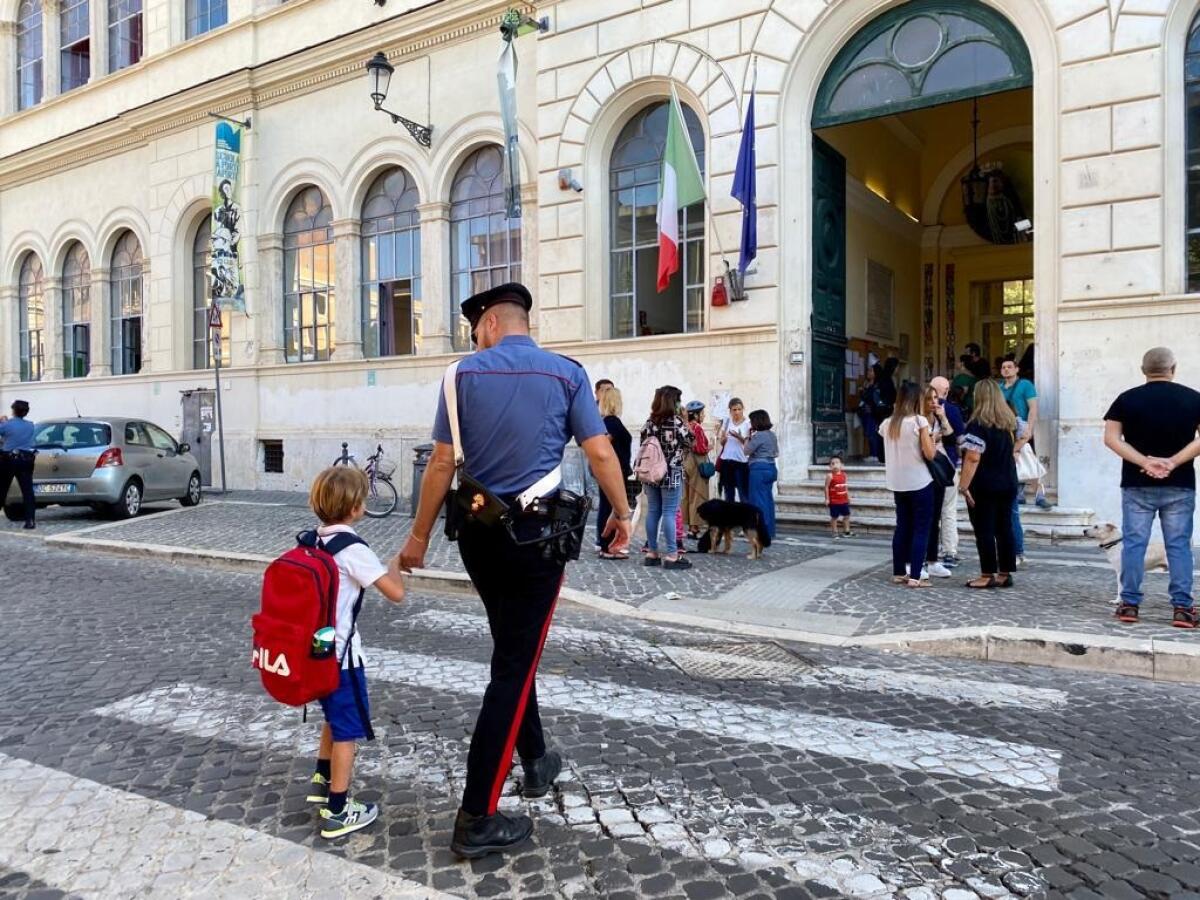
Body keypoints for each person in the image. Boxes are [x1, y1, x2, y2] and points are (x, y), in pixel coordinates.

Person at [397, 283, 633, 859]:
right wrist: (623, 513)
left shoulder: (460, 376)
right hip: (536, 541)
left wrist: (418, 536)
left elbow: (443, 463)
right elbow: (600, 452)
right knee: (512, 666)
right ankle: (476, 814)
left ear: (494, 324)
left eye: (476, 327)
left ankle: (536, 759)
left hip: (478, 537)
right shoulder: (567, 374)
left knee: (511, 650)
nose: (474, 338)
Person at [306, 466, 406, 839]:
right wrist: (396, 565)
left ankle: (321, 777)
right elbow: (395, 594)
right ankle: (337, 810)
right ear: (354, 507)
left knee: (332, 716)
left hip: (316, 651)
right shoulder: (353, 548)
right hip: (343, 657)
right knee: (347, 729)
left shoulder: (312, 540)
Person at [1103, 347, 1200, 627]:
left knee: (1134, 544)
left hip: (1136, 483)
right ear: (1174, 368)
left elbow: (1111, 439)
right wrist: (1172, 462)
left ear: (1143, 369)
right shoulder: (1193, 398)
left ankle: (1129, 604)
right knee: (1179, 546)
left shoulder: (1126, 399)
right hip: (1180, 484)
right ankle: (1183, 608)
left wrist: (1144, 461)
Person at [957, 380, 1020, 589]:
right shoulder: (1008, 423)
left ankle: (987, 573)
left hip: (984, 484)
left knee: (984, 529)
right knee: (1004, 528)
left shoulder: (978, 425)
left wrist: (963, 485)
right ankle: (1005, 572)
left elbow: (973, 458)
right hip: (1008, 481)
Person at [879, 382, 937, 588]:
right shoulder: (919, 421)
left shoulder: (888, 424)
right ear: (916, 400)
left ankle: (898, 572)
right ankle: (915, 576)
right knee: (921, 528)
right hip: (920, 480)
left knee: (902, 526)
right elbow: (930, 454)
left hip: (897, 482)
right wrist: (932, 438)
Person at [640, 385, 694, 570]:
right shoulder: (676, 422)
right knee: (670, 512)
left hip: (651, 473)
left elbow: (643, 444)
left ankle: (652, 552)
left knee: (653, 511)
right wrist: (685, 420)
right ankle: (672, 554)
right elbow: (690, 441)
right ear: (674, 402)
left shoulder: (649, 422)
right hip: (671, 472)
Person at [1000, 356, 1049, 510]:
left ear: (1016, 369)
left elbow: (1033, 407)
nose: (1006, 369)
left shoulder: (1025, 385)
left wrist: (1030, 428)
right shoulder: (999, 388)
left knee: (1030, 459)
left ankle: (1039, 494)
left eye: (1009, 366)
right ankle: (1019, 493)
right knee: (1014, 460)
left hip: (1022, 428)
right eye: (1003, 367)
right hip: (1006, 430)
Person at [931, 376, 966, 568]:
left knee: (931, 509)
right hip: (948, 464)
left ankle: (931, 550)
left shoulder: (920, 408)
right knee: (948, 509)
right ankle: (949, 551)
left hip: (927, 464)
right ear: (946, 390)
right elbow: (960, 440)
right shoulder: (952, 409)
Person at [921, 385, 954, 579]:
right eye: (930, 398)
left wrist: (942, 417)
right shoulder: (918, 420)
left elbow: (950, 436)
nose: (934, 402)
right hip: (922, 470)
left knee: (936, 519)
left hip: (938, 471)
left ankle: (933, 560)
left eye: (936, 398)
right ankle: (920, 559)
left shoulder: (936, 418)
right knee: (924, 518)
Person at [597, 385, 632, 560]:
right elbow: (603, 445)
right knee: (610, 507)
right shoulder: (611, 422)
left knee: (608, 506)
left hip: (613, 470)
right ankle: (607, 545)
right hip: (613, 471)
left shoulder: (607, 422)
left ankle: (606, 544)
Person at [0, 400, 37, 529]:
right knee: (27, 492)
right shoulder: (31, 425)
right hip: (26, 460)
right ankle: (30, 520)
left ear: (13, 411)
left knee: (2, 489)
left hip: (8, 460)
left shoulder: (6, 425)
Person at [746, 409, 779, 543]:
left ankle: (761, 531)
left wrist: (748, 438)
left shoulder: (758, 436)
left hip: (759, 469)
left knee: (758, 502)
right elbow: (776, 453)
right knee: (768, 500)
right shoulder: (772, 435)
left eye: (751, 421)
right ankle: (769, 530)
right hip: (771, 468)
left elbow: (746, 451)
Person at [682, 400, 712, 540]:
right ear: (696, 415)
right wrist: (709, 447)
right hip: (696, 462)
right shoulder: (697, 428)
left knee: (687, 495)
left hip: (686, 462)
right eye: (702, 413)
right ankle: (695, 528)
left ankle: (688, 526)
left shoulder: (685, 426)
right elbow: (699, 448)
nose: (704, 415)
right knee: (698, 495)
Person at [717, 398, 751, 502]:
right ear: (730, 410)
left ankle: (745, 517)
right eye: (734, 410)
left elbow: (749, 446)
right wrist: (724, 439)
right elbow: (722, 442)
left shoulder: (748, 423)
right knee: (728, 493)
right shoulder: (727, 422)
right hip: (727, 461)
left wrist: (739, 437)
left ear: (743, 409)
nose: (737, 412)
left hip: (741, 462)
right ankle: (730, 517)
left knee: (743, 493)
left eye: (739, 409)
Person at [857, 367, 884, 462]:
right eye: (867, 370)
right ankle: (872, 453)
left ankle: (875, 454)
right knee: (868, 433)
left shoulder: (877, 386)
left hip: (872, 413)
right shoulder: (867, 384)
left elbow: (873, 399)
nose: (868, 372)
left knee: (872, 433)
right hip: (866, 412)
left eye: (870, 371)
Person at [825, 454, 854, 538]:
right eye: (832, 463)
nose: (835, 465)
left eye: (837, 463)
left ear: (842, 465)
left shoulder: (844, 475)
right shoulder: (830, 476)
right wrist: (827, 499)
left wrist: (848, 497)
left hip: (843, 500)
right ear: (829, 466)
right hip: (834, 501)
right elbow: (826, 487)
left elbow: (845, 486)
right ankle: (835, 532)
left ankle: (846, 531)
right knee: (834, 517)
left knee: (847, 515)